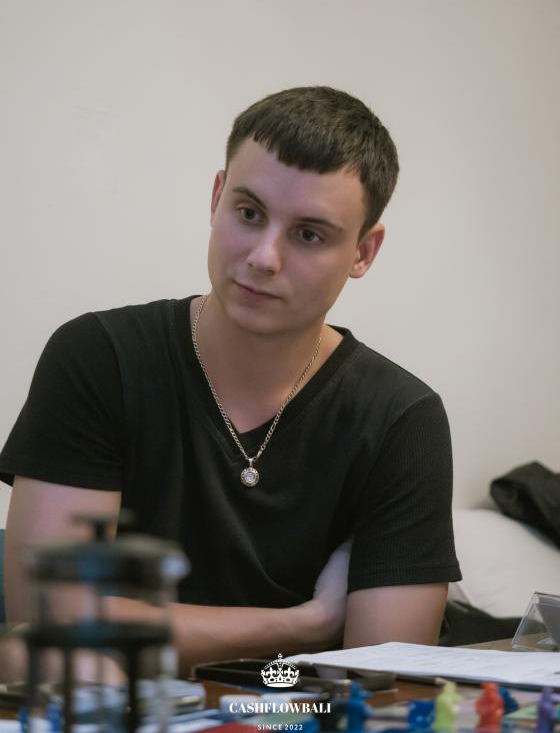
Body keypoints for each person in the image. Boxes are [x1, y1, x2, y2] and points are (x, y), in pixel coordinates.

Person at [0, 86, 461, 677]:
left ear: (363, 252)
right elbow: (50, 631)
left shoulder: (401, 418)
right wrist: (306, 624)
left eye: (309, 234)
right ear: (217, 198)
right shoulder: (99, 357)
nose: (264, 257)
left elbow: (377, 677)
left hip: (293, 716)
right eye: (249, 213)